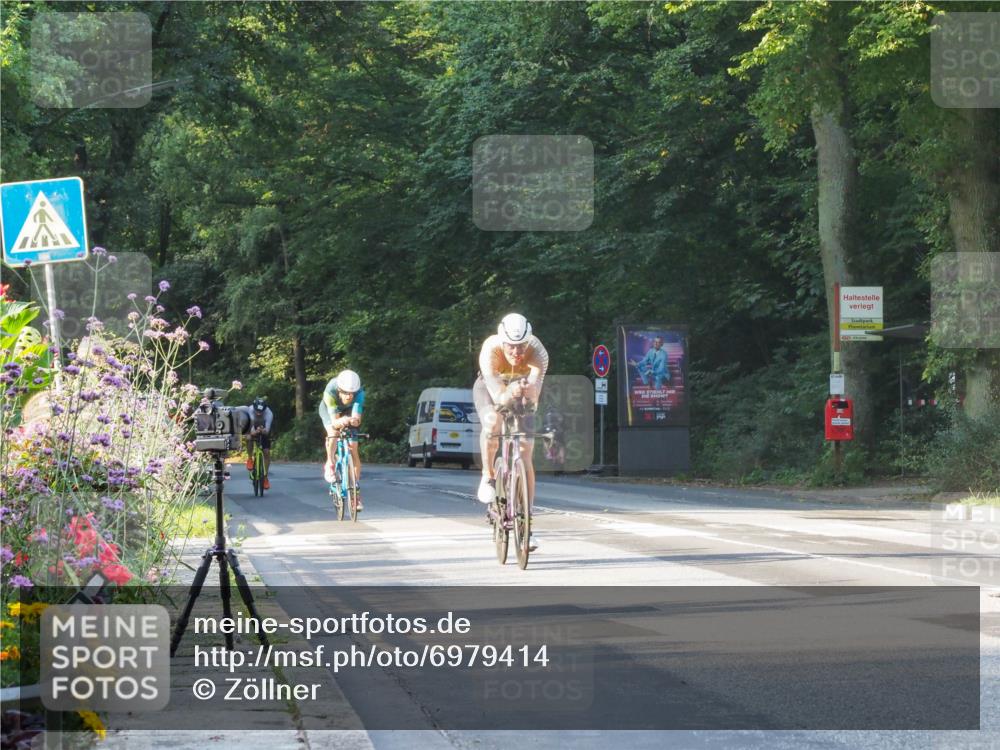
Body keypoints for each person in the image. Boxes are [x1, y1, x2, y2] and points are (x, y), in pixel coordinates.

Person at [473, 313, 548, 550]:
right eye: (511, 346)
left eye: (521, 346)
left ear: (529, 341)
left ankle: (527, 523)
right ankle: (488, 474)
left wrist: (526, 394)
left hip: (523, 388)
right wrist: (511, 392)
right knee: (492, 420)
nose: (516, 352)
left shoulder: (538, 353)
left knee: (526, 448)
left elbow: (534, 396)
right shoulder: (490, 350)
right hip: (490, 388)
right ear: (501, 341)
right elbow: (500, 397)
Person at [319, 369, 365, 509]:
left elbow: (357, 417)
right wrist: (340, 421)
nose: (349, 396)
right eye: (345, 393)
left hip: (348, 412)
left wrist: (354, 420)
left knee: (354, 448)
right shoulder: (330, 391)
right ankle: (330, 462)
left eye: (352, 393)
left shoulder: (360, 393)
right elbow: (334, 421)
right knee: (333, 432)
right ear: (339, 389)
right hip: (329, 411)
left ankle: (355, 494)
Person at [243, 396, 274, 490]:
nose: (259, 413)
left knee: (267, 452)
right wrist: (254, 432)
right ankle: (249, 459)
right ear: (254, 407)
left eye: (261, 411)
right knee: (248, 438)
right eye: (257, 411)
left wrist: (263, 431)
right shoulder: (249, 411)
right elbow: (251, 430)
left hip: (263, 428)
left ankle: (265, 477)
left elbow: (267, 430)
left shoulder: (269, 413)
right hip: (251, 427)